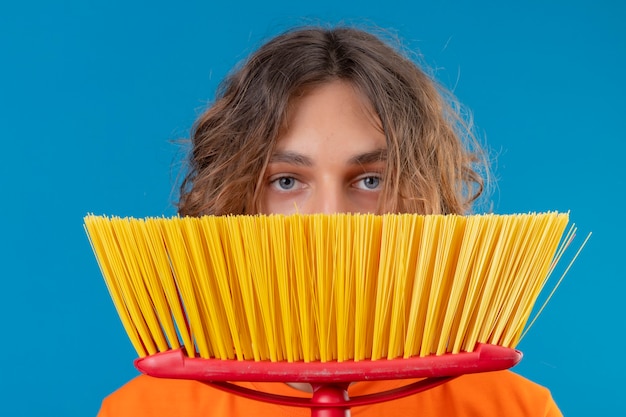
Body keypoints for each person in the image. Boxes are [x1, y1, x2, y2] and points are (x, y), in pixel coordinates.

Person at [97, 25, 562, 416]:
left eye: (371, 180)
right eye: (286, 181)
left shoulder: (512, 407)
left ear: (425, 200)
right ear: (234, 201)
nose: (329, 216)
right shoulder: (144, 410)